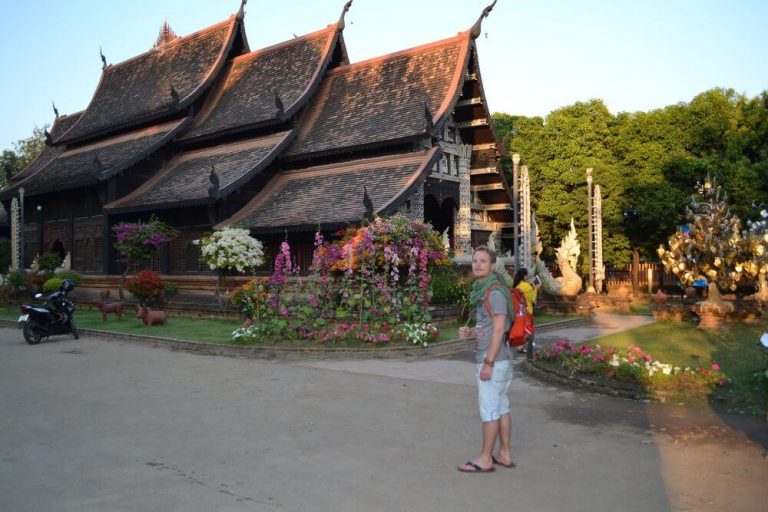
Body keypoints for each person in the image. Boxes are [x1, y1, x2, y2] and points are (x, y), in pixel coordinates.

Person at [457, 246, 515, 473]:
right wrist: (471, 333)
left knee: (489, 410)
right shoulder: (485, 291)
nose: (478, 264)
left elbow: (499, 330)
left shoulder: (495, 292)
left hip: (494, 361)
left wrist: (488, 363)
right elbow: (488, 328)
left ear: (492, 265)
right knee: (501, 407)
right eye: (475, 261)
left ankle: (485, 459)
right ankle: (504, 454)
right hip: (498, 360)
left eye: (483, 261)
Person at [512, 268, 539, 354]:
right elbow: (533, 299)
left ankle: (520, 347)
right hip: (527, 312)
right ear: (524, 276)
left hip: (519, 312)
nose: (528, 276)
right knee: (529, 331)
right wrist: (536, 289)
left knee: (522, 330)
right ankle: (528, 346)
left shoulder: (516, 286)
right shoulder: (527, 287)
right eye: (527, 275)